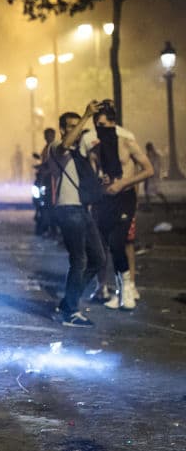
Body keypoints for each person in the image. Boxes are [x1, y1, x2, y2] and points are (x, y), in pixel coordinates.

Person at [83, 102, 153, 311]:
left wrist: (123, 183)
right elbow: (93, 176)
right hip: (105, 201)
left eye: (103, 124)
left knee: (118, 242)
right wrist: (100, 180)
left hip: (125, 198)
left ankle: (129, 290)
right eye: (96, 123)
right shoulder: (94, 147)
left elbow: (148, 170)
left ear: (113, 123)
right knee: (107, 245)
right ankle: (118, 291)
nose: (99, 127)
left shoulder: (127, 142)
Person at [43, 105, 106, 327]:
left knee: (98, 259)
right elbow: (66, 143)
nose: (76, 131)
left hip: (82, 210)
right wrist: (87, 115)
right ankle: (70, 312)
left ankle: (67, 301)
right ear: (61, 129)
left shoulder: (77, 154)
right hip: (67, 210)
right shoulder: (56, 148)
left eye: (77, 127)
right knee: (79, 260)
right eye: (70, 127)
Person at [143, 142, 169, 211]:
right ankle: (149, 206)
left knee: (156, 192)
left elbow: (154, 166)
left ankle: (166, 205)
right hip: (151, 176)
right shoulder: (153, 155)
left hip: (151, 176)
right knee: (149, 191)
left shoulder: (153, 156)